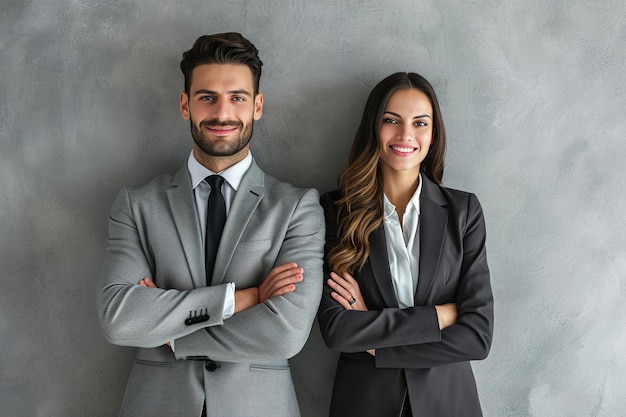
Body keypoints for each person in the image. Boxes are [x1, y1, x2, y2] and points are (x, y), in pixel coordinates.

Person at [97, 32, 324, 417]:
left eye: (237, 97)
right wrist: (244, 299)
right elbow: (119, 318)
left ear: (257, 106)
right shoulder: (138, 205)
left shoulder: (297, 207)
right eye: (207, 97)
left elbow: (286, 332)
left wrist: (174, 338)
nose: (222, 113)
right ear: (186, 104)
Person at [317, 72, 494, 417]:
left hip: (449, 403)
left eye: (420, 123)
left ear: (433, 134)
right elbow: (337, 330)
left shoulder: (464, 211)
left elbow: (477, 336)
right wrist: (440, 316)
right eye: (391, 120)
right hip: (364, 404)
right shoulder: (336, 210)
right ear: (374, 127)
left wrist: (376, 343)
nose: (405, 135)